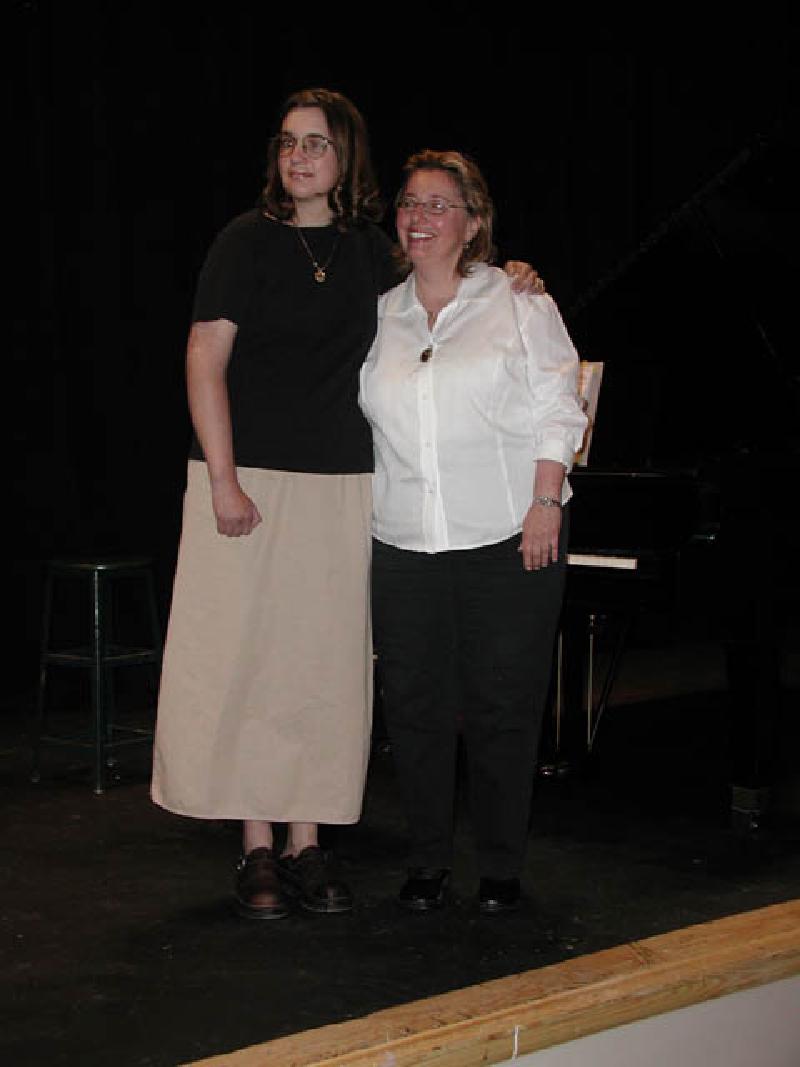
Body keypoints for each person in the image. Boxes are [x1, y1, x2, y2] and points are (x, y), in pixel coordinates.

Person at [151, 91, 542, 920]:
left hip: (343, 485)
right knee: (245, 659)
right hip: (246, 477)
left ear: (346, 157)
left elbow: (448, 279)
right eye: (288, 142)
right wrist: (222, 478)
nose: (299, 157)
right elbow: (203, 356)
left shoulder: (372, 251)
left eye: (317, 144)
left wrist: (511, 274)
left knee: (322, 664)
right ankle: (257, 843)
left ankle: (308, 842)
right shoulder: (243, 240)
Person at [360, 150, 587, 915]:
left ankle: (499, 865)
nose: (419, 216)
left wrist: (546, 501)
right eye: (409, 203)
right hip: (402, 542)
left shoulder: (518, 300)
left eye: (438, 204)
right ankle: (427, 860)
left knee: (502, 707)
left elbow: (559, 406)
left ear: (473, 221)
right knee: (414, 709)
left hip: (509, 536)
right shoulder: (377, 314)